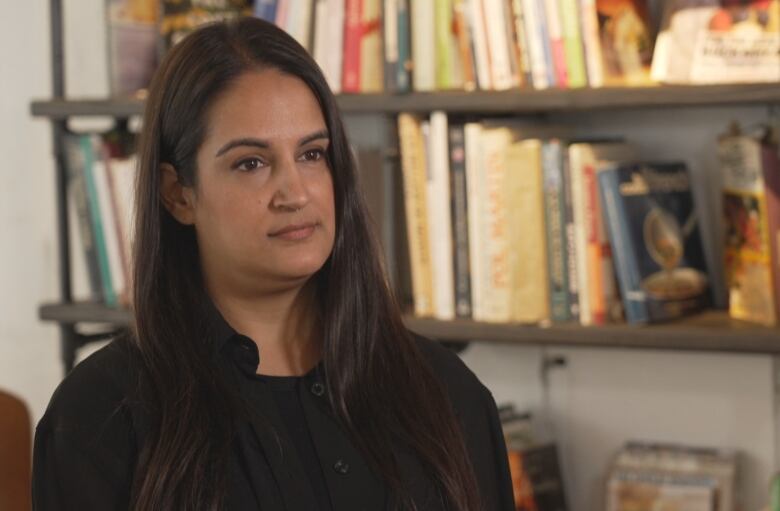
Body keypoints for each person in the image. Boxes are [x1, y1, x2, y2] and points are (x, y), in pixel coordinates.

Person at [32, 17, 514, 511]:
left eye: (312, 154)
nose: (295, 193)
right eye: (251, 163)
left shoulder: (448, 395)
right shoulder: (99, 417)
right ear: (178, 194)